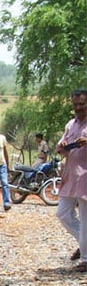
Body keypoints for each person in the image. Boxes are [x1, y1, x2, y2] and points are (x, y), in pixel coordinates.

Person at [55, 88, 87, 271]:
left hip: (85, 176)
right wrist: (63, 145)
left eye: (82, 104)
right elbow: (60, 147)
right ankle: (84, 243)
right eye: (75, 104)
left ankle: (86, 259)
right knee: (63, 213)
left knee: (85, 217)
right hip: (71, 174)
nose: (78, 108)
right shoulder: (71, 125)